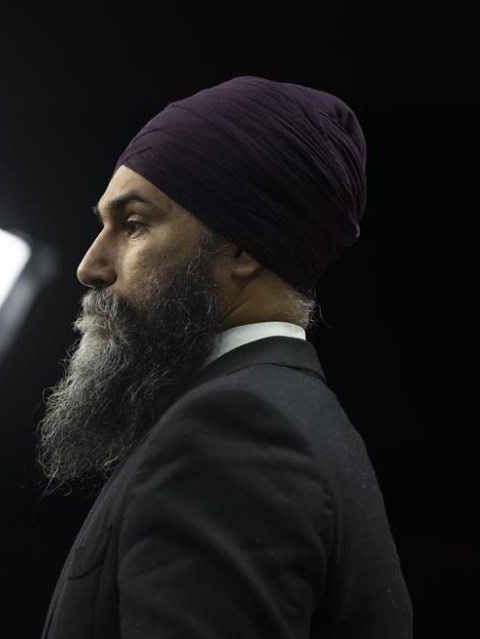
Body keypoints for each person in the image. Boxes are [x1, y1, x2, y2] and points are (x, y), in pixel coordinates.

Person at [35, 76, 413, 638]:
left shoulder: (233, 434)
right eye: (103, 226)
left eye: (133, 225)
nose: (91, 266)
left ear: (243, 247)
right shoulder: (293, 415)